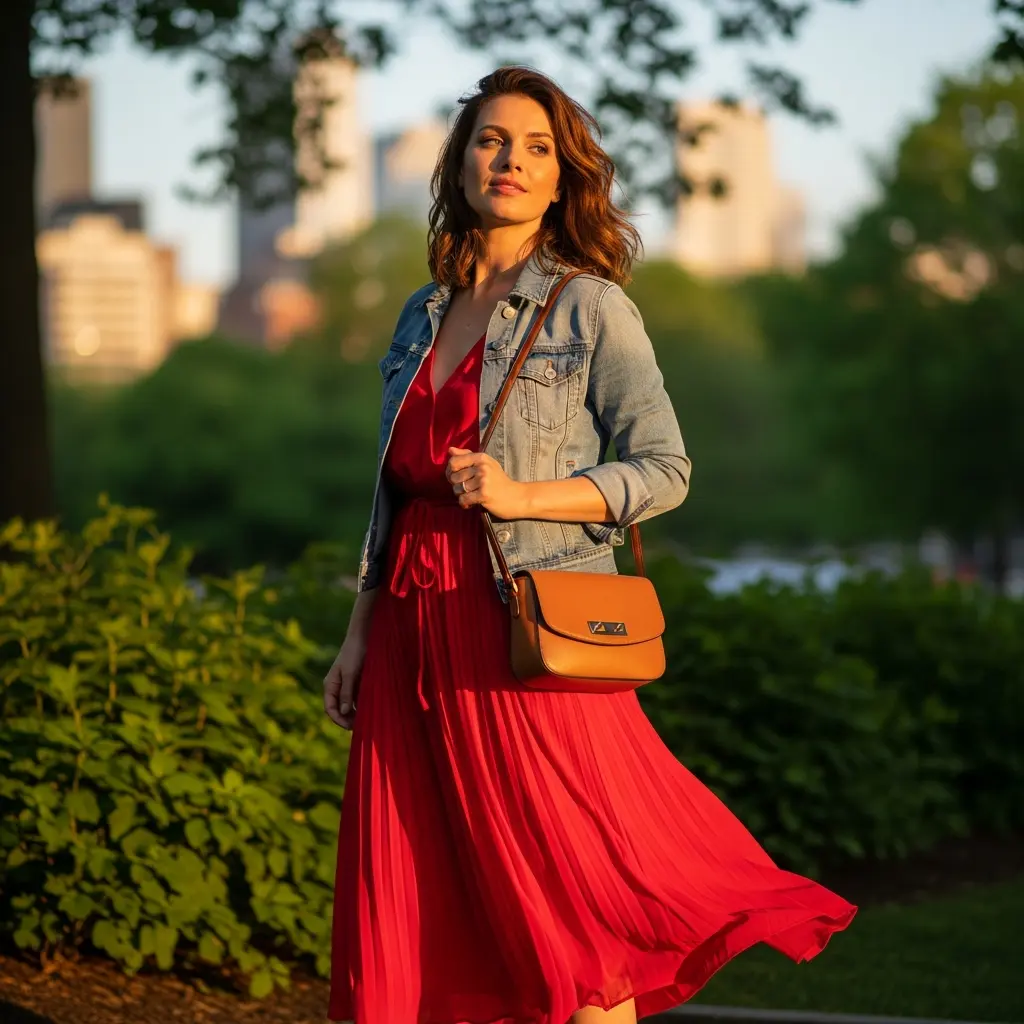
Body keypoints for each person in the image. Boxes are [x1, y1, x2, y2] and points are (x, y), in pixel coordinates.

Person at [323, 65, 856, 1024]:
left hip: (518, 622)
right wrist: (359, 633)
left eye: (537, 149)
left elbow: (664, 467)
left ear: (564, 179)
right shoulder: (421, 312)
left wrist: (526, 492)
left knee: (560, 885)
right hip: (410, 622)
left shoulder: (588, 306)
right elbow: (391, 494)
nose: (511, 163)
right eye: (492, 141)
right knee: (431, 873)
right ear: (460, 161)